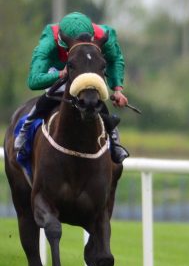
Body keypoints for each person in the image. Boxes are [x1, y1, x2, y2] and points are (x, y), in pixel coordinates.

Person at [14, 11, 130, 164]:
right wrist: (60, 74)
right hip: (59, 70)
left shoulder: (104, 35)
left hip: (87, 67)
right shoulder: (50, 38)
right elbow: (34, 80)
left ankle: (113, 139)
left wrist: (117, 90)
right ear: (62, 39)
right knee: (57, 91)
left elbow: (115, 60)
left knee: (94, 95)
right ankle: (25, 130)